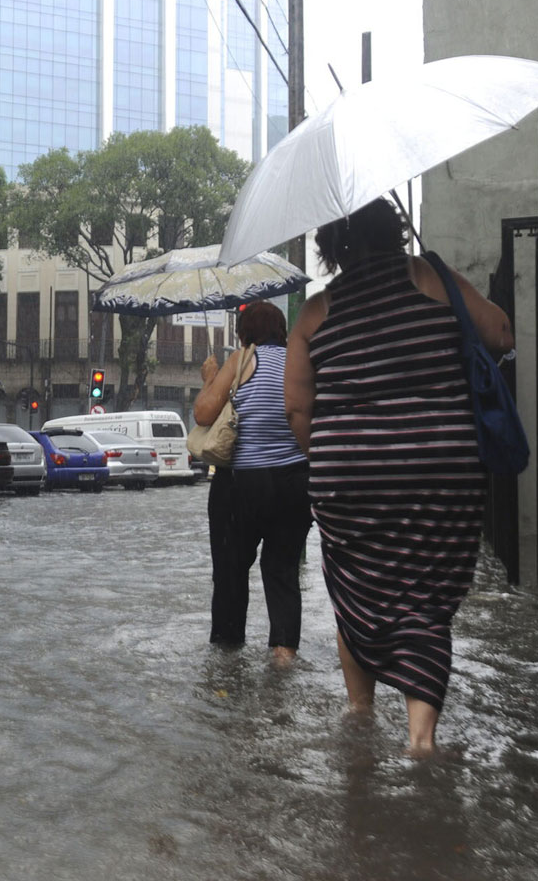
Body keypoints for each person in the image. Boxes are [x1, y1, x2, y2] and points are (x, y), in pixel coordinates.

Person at [284, 198, 514, 757]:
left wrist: (338, 463)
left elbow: (297, 412)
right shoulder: (432, 279)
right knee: (425, 597)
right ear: (395, 231)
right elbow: (502, 334)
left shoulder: (315, 313)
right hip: (441, 469)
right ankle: (420, 737)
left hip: (348, 476)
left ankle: (360, 712)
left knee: (357, 586)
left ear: (332, 248)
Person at [193, 301, 312, 666]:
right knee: (283, 570)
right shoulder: (300, 362)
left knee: (230, 572)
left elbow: (202, 413)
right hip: (295, 483)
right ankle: (283, 654)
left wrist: (210, 379)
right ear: (281, 330)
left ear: (244, 332)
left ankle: (228, 661)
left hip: (241, 485)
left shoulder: (241, 360)